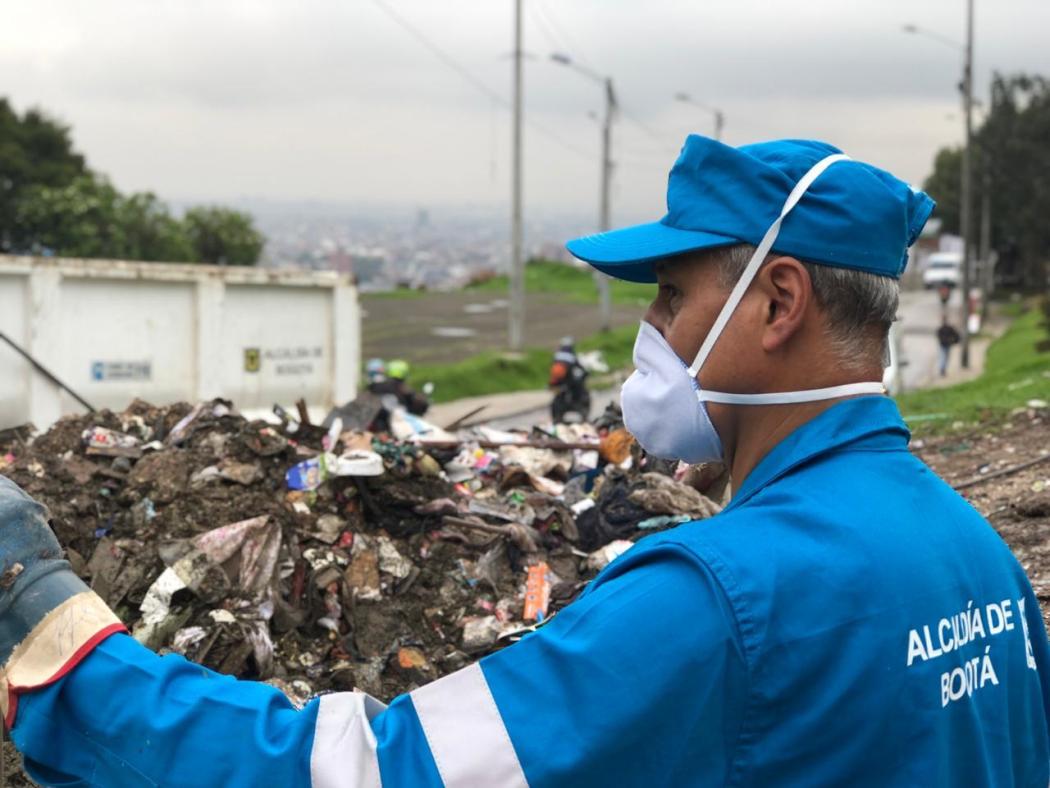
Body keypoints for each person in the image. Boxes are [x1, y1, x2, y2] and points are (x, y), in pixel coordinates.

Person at [2, 136, 1048, 787]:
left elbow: (379, 774)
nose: (650, 336)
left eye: (671, 298)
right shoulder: (973, 554)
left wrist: (65, 646)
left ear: (778, 302)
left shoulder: (722, 599)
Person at [549, 336, 590, 422]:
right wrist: (585, 372)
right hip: (567, 381)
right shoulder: (571, 355)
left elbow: (552, 366)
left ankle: (557, 415)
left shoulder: (557, 355)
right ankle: (578, 403)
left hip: (556, 381)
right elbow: (578, 367)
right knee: (578, 387)